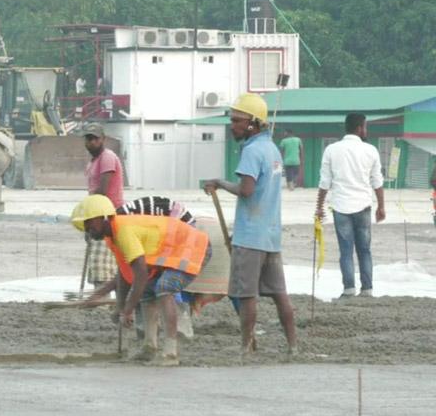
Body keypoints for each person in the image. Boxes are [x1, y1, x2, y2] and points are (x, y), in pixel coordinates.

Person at [202, 93, 297, 359]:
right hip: (270, 237)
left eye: (237, 121)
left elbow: (246, 190)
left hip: (251, 237)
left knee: (247, 296)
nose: (233, 125)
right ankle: (293, 347)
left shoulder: (252, 150)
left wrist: (219, 183)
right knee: (280, 295)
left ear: (253, 123)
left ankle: (245, 348)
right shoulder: (272, 149)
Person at [71, 194, 212, 366]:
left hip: (194, 246)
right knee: (147, 291)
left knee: (164, 287)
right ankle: (149, 346)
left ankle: (170, 352)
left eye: (89, 223)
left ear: (103, 217)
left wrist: (128, 310)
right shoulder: (112, 237)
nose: (87, 230)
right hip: (170, 254)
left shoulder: (123, 231)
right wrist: (120, 306)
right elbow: (124, 275)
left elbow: (141, 274)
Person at [315, 113, 385, 299]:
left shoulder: (331, 150)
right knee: (364, 250)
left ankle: (348, 289)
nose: (366, 130)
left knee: (345, 251)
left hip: (340, 207)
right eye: (365, 127)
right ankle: (367, 289)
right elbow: (377, 182)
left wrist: (319, 207)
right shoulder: (371, 150)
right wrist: (381, 207)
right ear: (360, 128)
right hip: (363, 206)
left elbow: (324, 183)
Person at [83, 123, 124, 289]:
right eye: (88, 139)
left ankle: (103, 303)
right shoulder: (93, 162)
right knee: (96, 265)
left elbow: (102, 192)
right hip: (97, 213)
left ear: (103, 139)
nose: (91, 142)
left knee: (102, 267)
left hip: (107, 214)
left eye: (95, 138)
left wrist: (94, 219)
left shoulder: (107, 157)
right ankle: (100, 301)